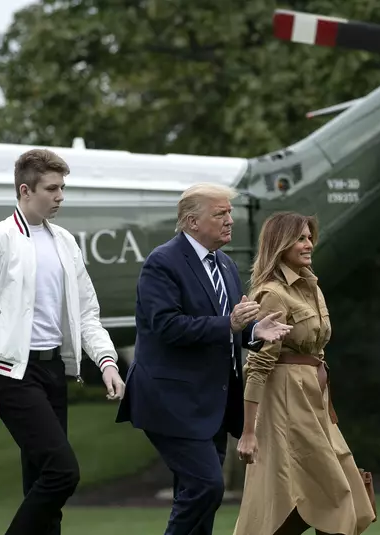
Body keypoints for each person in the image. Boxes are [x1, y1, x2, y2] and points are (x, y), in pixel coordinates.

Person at [0, 148, 126, 535]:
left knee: (41, 483)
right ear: (25, 190)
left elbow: (86, 314)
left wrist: (107, 361)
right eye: (52, 188)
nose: (60, 196)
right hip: (10, 373)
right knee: (63, 472)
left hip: (52, 371)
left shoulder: (65, 242)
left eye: (63, 187)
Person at [116, 183, 292, 535]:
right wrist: (230, 324)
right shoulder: (162, 262)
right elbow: (166, 326)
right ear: (192, 222)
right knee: (206, 487)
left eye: (229, 212)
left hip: (212, 402)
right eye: (220, 214)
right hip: (170, 400)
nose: (230, 220)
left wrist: (254, 332)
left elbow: (228, 328)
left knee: (198, 497)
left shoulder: (224, 264)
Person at [232, 211, 376, 535]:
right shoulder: (271, 293)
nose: (308, 243)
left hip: (315, 398)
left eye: (309, 236)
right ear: (280, 244)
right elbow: (257, 365)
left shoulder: (312, 287)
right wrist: (249, 431)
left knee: (334, 490)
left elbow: (316, 350)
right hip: (286, 401)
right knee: (332, 492)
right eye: (300, 238)